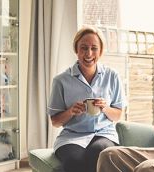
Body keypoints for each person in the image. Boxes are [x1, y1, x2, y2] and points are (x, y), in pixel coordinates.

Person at [47, 26, 126, 172]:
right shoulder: (61, 80)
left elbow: (118, 114)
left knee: (100, 152)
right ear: (76, 50)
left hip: (104, 134)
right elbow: (55, 121)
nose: (89, 53)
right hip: (71, 137)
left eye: (94, 48)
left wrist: (105, 108)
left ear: (100, 51)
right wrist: (71, 111)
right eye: (83, 48)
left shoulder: (112, 76)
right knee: (74, 161)